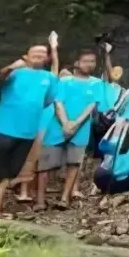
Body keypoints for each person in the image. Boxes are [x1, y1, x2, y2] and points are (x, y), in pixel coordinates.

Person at [0, 34, 58, 218]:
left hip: (27, 132)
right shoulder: (15, 73)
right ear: (26, 56)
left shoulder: (50, 78)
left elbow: (47, 101)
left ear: (47, 57)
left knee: (8, 172)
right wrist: (12, 66)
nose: (39, 55)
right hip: (3, 128)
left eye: (43, 53)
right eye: (35, 52)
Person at [35, 48, 101, 210]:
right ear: (77, 63)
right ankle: (40, 200)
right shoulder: (64, 82)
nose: (89, 64)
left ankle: (64, 198)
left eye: (92, 61)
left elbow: (91, 105)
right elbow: (58, 103)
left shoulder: (97, 83)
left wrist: (76, 123)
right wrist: (65, 123)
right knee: (46, 165)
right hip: (57, 127)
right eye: (86, 61)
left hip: (81, 129)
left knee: (74, 164)